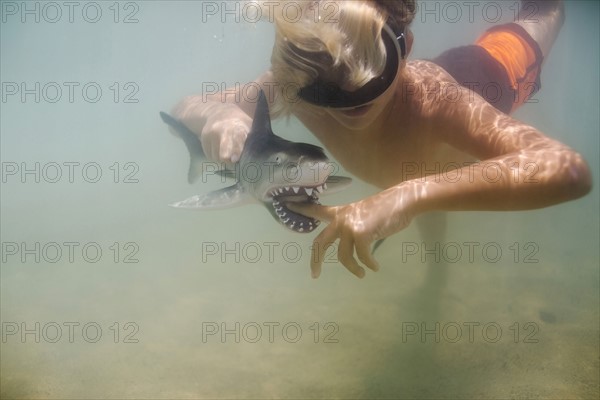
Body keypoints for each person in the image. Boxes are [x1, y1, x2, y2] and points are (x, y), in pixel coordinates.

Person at [171, 0, 591, 278]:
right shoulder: (293, 87)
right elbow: (188, 106)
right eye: (323, 73)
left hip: (495, 73)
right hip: (427, 158)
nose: (348, 91)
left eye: (370, 63)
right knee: (425, 179)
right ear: (298, 68)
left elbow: (568, 169)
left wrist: (404, 197)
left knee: (541, 14)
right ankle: (437, 269)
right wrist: (218, 115)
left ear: (404, 49)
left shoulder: (437, 102)